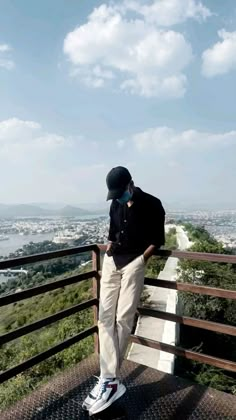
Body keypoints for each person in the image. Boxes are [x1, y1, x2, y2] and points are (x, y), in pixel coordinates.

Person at [83, 166, 165, 416]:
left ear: (131, 184)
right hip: (112, 261)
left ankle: (107, 380)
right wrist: (108, 250)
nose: (119, 198)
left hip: (134, 264)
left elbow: (157, 239)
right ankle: (110, 380)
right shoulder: (115, 204)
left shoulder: (152, 204)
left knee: (123, 319)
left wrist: (141, 260)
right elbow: (112, 234)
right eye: (115, 195)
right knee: (104, 318)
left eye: (121, 193)